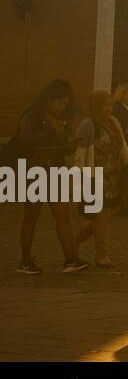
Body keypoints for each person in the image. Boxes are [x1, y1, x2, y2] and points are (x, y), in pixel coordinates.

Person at [15, 80, 89, 274]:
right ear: (49, 100)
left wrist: (70, 144)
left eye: (65, 104)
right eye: (60, 103)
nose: (63, 108)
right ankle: (25, 261)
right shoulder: (33, 117)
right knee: (31, 216)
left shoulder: (60, 119)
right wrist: (50, 130)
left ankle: (71, 259)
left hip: (55, 170)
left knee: (62, 216)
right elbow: (26, 141)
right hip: (35, 171)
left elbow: (61, 146)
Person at [73, 90, 128, 268]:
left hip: (113, 176)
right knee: (101, 216)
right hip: (96, 177)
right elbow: (81, 153)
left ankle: (75, 241)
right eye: (104, 105)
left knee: (106, 215)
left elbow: (122, 144)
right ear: (95, 107)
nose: (108, 109)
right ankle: (102, 253)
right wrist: (79, 177)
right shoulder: (88, 125)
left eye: (110, 104)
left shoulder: (114, 122)